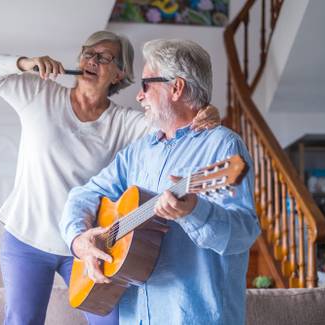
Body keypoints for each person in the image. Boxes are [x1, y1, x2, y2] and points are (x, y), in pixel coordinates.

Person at [0, 31, 220, 325]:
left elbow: (173, 121)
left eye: (104, 57)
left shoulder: (124, 122)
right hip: (27, 238)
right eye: (88, 53)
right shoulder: (40, 94)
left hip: (88, 242)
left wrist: (205, 111)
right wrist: (25, 63)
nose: (91, 60)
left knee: (112, 322)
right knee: (21, 321)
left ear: (119, 74)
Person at [61, 39, 261, 325]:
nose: (139, 97)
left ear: (176, 88)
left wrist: (194, 211)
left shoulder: (223, 145)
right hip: (137, 317)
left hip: (195, 316)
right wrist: (78, 240)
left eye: (145, 86)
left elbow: (243, 233)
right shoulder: (138, 152)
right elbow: (83, 195)